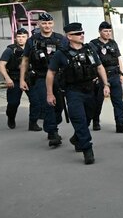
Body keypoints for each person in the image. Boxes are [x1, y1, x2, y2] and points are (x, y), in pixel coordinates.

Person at [46, 23, 110, 164]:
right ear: (69, 36)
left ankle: (77, 138)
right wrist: (50, 94)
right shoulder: (61, 54)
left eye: (82, 33)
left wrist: (106, 84)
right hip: (73, 91)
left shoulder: (89, 49)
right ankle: (87, 149)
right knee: (79, 119)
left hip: (90, 89)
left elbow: (99, 67)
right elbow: (51, 73)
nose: (82, 35)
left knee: (88, 117)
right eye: (78, 33)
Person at [20, 12, 66, 145]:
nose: (47, 26)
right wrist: (22, 79)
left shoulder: (60, 39)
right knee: (48, 105)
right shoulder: (32, 40)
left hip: (58, 77)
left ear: (53, 24)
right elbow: (25, 60)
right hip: (40, 77)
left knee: (59, 107)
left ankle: (52, 125)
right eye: (44, 23)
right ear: (39, 24)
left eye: (49, 23)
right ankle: (53, 133)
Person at [90, 21, 123, 133]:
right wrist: (95, 76)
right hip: (101, 75)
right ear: (100, 31)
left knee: (118, 101)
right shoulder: (93, 44)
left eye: (109, 31)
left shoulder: (113, 43)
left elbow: (118, 58)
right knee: (98, 100)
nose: (107, 33)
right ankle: (96, 120)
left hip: (114, 74)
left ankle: (120, 123)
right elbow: (93, 62)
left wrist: (121, 73)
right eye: (105, 31)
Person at [0, 28, 29, 129]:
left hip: (29, 78)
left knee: (36, 100)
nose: (21, 39)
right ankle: (11, 117)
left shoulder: (31, 49)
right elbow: (1, 65)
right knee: (13, 103)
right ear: (15, 38)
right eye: (18, 37)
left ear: (27, 38)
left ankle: (34, 121)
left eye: (23, 37)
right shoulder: (10, 50)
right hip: (14, 78)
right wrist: (7, 78)